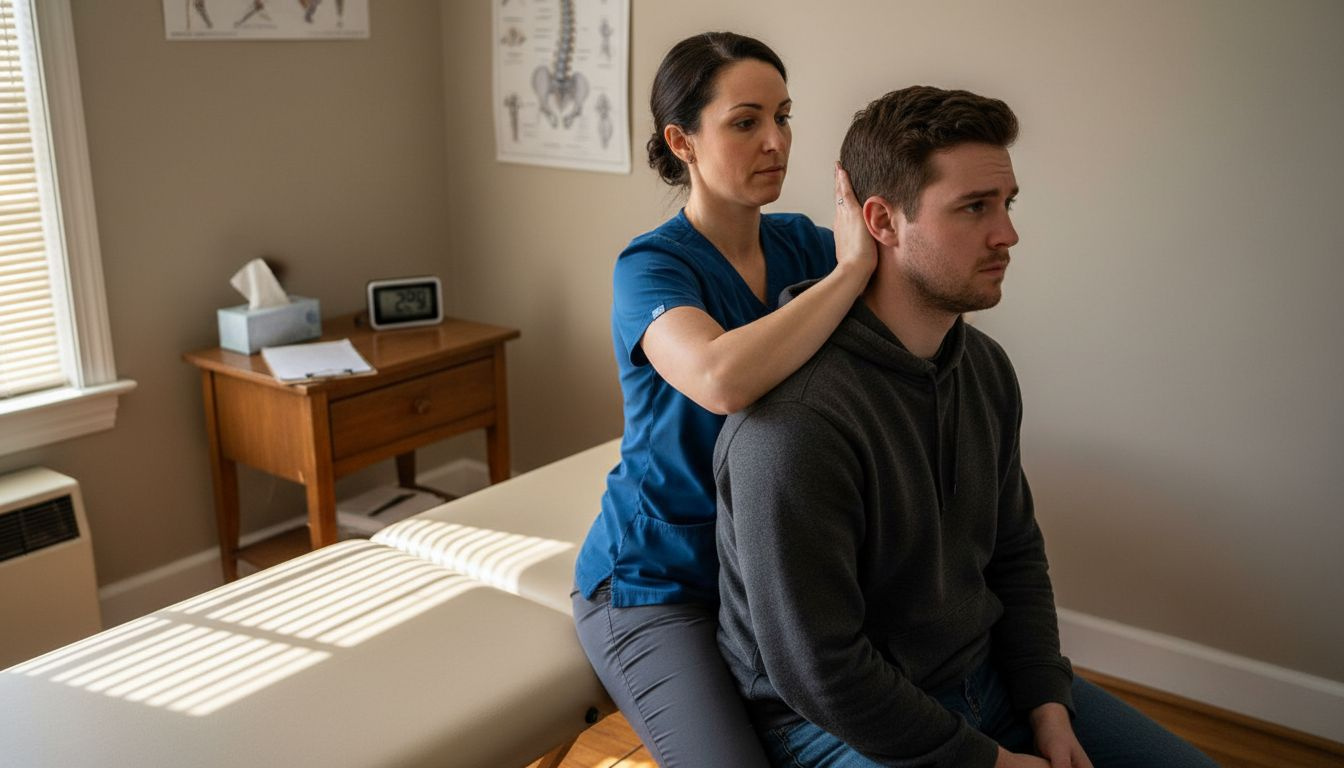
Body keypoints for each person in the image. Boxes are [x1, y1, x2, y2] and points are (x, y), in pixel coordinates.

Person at [714, 85, 1219, 768]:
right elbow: (823, 671)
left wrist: (1047, 705)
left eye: (1007, 204)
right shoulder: (794, 426)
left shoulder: (983, 367)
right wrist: (991, 762)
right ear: (882, 222)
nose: (1007, 234)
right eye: (975, 207)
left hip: (983, 678)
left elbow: (1014, 552)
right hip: (835, 724)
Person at [571, 32, 877, 766]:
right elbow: (719, 378)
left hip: (774, 576)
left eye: (783, 116)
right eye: (746, 122)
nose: (777, 141)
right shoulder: (650, 267)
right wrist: (852, 272)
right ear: (683, 141)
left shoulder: (805, 246)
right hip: (658, 582)